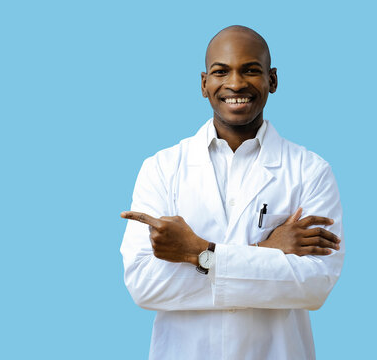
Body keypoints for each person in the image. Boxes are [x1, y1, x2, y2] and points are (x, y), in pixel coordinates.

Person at [120, 25, 344, 360]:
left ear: (273, 80)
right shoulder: (162, 168)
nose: (236, 83)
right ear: (203, 84)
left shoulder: (311, 171)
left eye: (251, 70)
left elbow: (315, 286)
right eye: (220, 71)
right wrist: (267, 251)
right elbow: (144, 285)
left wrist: (196, 252)